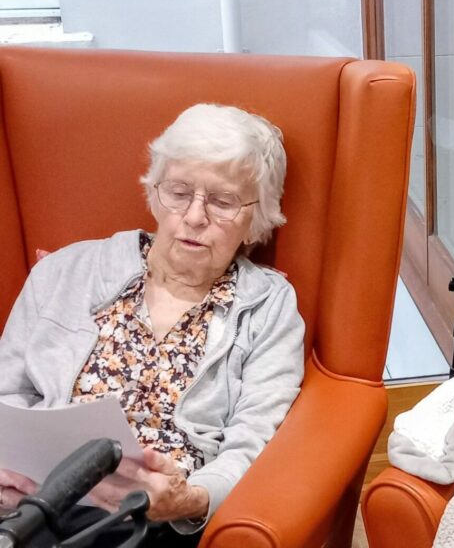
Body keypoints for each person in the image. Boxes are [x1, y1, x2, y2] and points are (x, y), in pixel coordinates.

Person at [0, 104, 305, 547]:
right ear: (155, 190)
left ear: (257, 218)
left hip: (153, 524)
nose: (195, 217)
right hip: (35, 505)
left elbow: (253, 444)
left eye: (222, 202)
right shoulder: (68, 269)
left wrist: (191, 498)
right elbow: (6, 394)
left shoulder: (268, 307)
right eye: (179, 192)